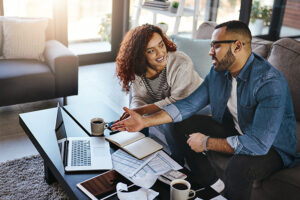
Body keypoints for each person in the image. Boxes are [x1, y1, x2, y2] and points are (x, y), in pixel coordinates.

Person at [112, 20, 299, 200]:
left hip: (272, 148)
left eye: (216, 46)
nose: (210, 52)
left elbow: (258, 144)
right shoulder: (219, 72)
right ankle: (207, 182)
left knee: (238, 167)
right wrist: (144, 121)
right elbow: (188, 105)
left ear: (237, 46)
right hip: (235, 128)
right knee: (179, 123)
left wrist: (206, 143)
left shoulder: (269, 82)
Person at [115, 24, 203, 163]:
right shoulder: (139, 69)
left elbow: (176, 102)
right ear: (140, 56)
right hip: (171, 108)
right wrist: (134, 112)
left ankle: (176, 163)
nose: (161, 53)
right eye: (151, 51)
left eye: (161, 45)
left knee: (170, 121)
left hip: (199, 109)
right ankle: (140, 154)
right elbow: (139, 97)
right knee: (138, 119)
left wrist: (141, 110)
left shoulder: (181, 62)